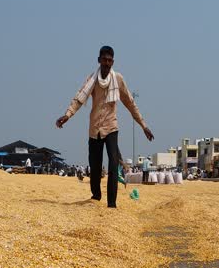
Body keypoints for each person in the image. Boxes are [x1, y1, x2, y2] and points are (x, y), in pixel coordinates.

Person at [56, 45, 154, 208]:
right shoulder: (92, 80)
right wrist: (67, 115)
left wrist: (144, 126)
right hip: (95, 128)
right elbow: (79, 98)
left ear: (113, 62)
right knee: (94, 165)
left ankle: (112, 203)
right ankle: (96, 195)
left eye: (110, 61)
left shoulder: (118, 80)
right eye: (104, 60)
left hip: (111, 127)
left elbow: (130, 103)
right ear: (99, 60)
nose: (107, 63)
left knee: (113, 162)